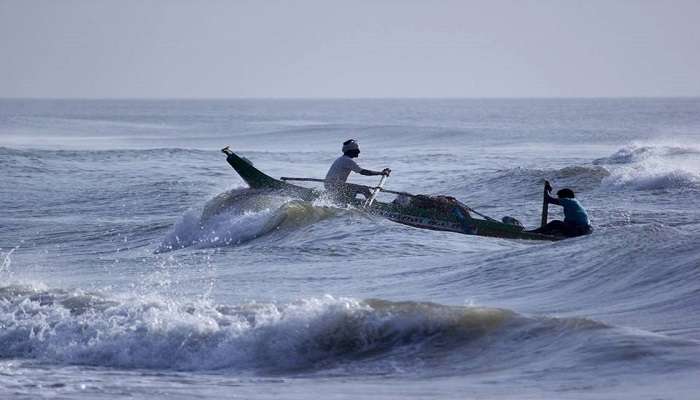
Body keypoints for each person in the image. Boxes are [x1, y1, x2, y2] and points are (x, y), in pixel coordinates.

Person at [324, 139, 390, 202]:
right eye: (356, 149)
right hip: (335, 185)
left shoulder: (341, 159)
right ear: (350, 151)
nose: (359, 151)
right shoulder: (347, 161)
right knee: (364, 189)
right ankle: (374, 206)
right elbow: (363, 172)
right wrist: (381, 173)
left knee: (354, 190)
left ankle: (349, 201)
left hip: (330, 184)